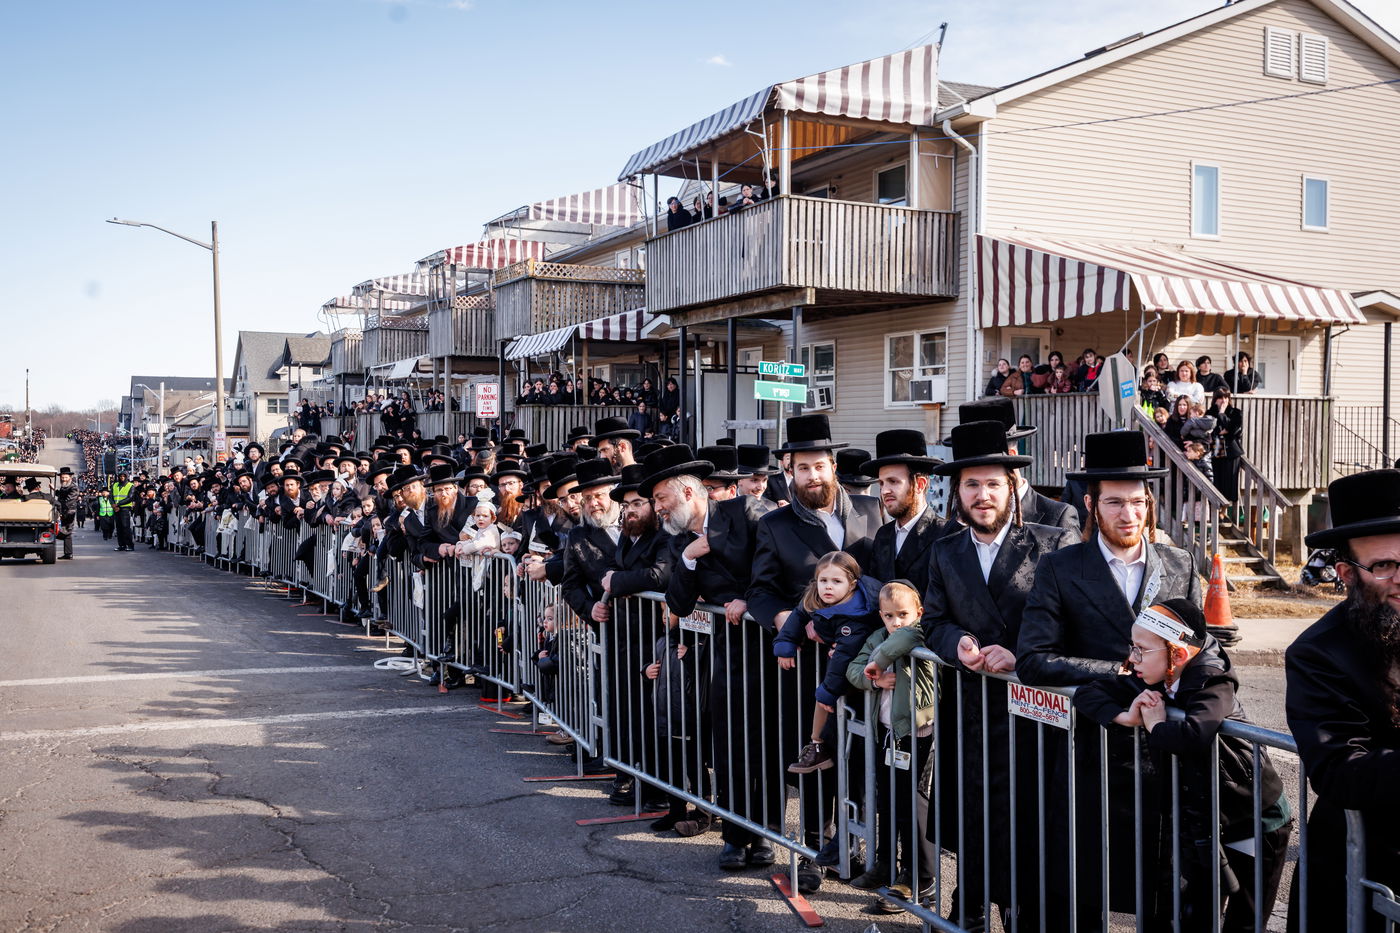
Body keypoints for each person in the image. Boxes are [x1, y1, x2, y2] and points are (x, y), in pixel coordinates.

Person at [871, 419, 1077, 928]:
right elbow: (934, 620)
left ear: (1012, 486)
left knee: (1026, 839)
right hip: (968, 711)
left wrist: (1019, 653)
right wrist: (954, 643)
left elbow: (1071, 623)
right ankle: (968, 916)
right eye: (971, 485)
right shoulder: (946, 550)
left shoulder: (1050, 544)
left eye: (992, 483)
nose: (982, 495)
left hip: (1032, 718)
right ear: (956, 492)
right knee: (974, 830)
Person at [1018, 430, 1203, 930]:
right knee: (1080, 881)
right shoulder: (1060, 567)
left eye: (1138, 502)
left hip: (1158, 752)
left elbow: (1198, 650)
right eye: (1115, 502)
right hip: (1088, 750)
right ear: (1091, 503)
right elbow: (1033, 658)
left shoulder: (1177, 564)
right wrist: (1119, 673)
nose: (1129, 515)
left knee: (1161, 881)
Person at [1074, 599, 1292, 932]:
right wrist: (1124, 715)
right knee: (1195, 913)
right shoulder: (1153, 673)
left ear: (1177, 653)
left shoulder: (1211, 680)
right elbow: (1089, 692)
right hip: (1206, 816)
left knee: (1246, 918)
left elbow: (1192, 736)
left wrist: (1156, 725)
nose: (1132, 659)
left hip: (1255, 816)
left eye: (1141, 650)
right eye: (1132, 647)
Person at [748, 413, 883, 893]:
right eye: (801, 469)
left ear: (834, 466)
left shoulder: (872, 510)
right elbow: (760, 591)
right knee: (814, 757)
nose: (811, 477)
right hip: (809, 668)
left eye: (818, 466)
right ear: (790, 472)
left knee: (864, 754)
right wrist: (782, 618)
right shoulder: (776, 523)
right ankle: (811, 849)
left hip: (867, 664)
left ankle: (861, 846)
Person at [1285, 469, 1400, 931]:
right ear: (1348, 573)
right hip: (1365, 876)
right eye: (1385, 566)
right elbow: (1340, 772)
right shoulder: (1317, 653)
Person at [846, 580, 938, 913]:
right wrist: (874, 677)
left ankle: (919, 877)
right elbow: (854, 669)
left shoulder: (920, 634)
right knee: (889, 800)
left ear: (918, 612)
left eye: (903, 614)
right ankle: (887, 864)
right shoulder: (879, 637)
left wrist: (878, 659)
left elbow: (906, 638)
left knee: (915, 806)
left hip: (919, 732)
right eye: (888, 616)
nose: (895, 622)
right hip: (887, 733)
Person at [774, 551, 882, 773]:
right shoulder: (814, 596)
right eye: (823, 580)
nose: (828, 587)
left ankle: (818, 745)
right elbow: (798, 616)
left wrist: (829, 691)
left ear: (851, 584)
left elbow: (844, 654)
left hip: (861, 664)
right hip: (842, 658)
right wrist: (785, 644)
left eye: (836, 581)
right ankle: (820, 746)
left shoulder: (855, 615)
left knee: (823, 698)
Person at [862, 429, 943, 593]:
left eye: (893, 481)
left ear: (919, 484)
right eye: (882, 483)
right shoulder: (883, 535)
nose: (884, 491)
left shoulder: (946, 535)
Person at [1209, 388, 1244, 503]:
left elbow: (1234, 430)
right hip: (1217, 447)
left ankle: (1225, 510)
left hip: (1232, 450)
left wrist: (1222, 414)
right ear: (1215, 400)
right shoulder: (1210, 412)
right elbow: (1211, 430)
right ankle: (1218, 508)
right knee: (1217, 480)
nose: (1223, 400)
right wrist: (1224, 429)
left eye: (1226, 397)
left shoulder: (1236, 412)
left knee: (1230, 481)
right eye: (1220, 398)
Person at [54, 466, 79, 559]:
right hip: (63, 511)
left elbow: (68, 501)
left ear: (70, 477)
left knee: (66, 531)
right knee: (67, 533)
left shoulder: (73, 487)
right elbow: (61, 496)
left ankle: (68, 553)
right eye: (62, 478)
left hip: (69, 512)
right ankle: (68, 553)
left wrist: (60, 510)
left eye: (65, 477)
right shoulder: (64, 486)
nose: (64, 479)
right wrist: (55, 491)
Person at [111, 471, 137, 551]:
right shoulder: (115, 485)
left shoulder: (130, 486)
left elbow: (130, 497)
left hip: (125, 508)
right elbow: (111, 496)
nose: (122, 477)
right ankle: (121, 545)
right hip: (116, 509)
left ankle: (129, 545)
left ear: (126, 477)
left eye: (123, 476)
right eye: (120, 476)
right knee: (119, 528)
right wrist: (113, 505)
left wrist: (118, 504)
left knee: (126, 527)